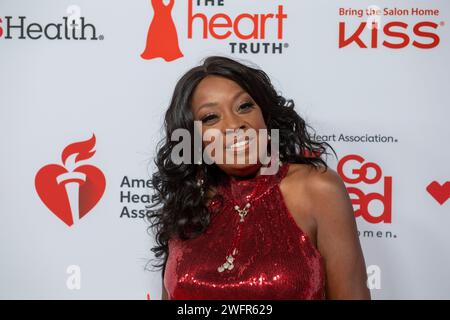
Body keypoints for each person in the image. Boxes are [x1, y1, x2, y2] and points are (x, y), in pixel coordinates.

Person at [147, 56, 371, 299]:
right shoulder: (189, 201)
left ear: (265, 115)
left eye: (244, 106)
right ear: (192, 138)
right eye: (210, 117)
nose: (234, 124)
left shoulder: (315, 189)